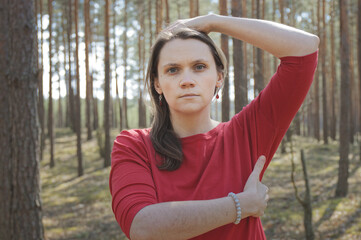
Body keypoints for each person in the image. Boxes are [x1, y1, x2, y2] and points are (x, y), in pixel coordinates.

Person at [109, 14, 319, 240]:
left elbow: (305, 48)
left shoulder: (245, 133)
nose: (186, 80)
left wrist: (213, 21)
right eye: (173, 70)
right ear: (157, 83)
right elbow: (142, 227)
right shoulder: (134, 145)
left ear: (219, 77)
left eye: (199, 67)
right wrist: (241, 205)